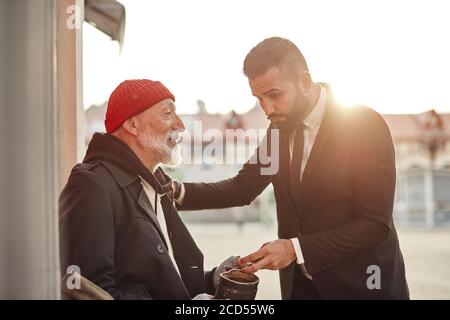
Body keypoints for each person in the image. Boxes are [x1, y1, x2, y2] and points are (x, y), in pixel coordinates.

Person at [174, 37, 409, 299]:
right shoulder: (278, 128)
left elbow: (375, 224)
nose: (267, 109)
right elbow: (243, 187)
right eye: (259, 98)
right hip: (300, 289)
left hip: (362, 287)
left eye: (274, 95)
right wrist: (175, 191)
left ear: (304, 81)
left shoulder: (364, 124)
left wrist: (294, 250)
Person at [59, 79, 236, 300]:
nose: (180, 124)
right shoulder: (91, 185)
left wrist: (215, 279)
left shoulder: (157, 187)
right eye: (167, 113)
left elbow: (169, 283)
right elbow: (86, 291)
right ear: (132, 125)